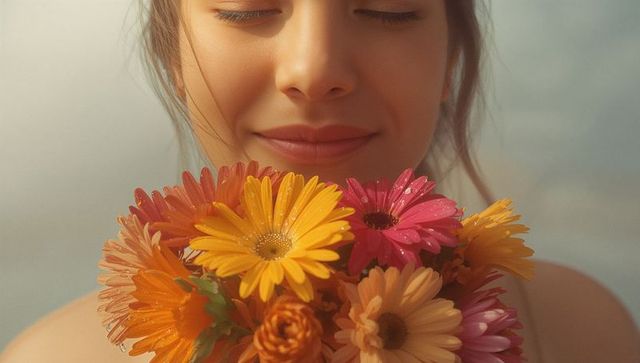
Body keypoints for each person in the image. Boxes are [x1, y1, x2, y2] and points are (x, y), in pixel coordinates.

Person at [2, 1, 638, 362]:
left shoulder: (578, 332)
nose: (314, 68)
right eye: (246, 5)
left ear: (450, 58)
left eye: (387, 8)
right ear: (174, 55)